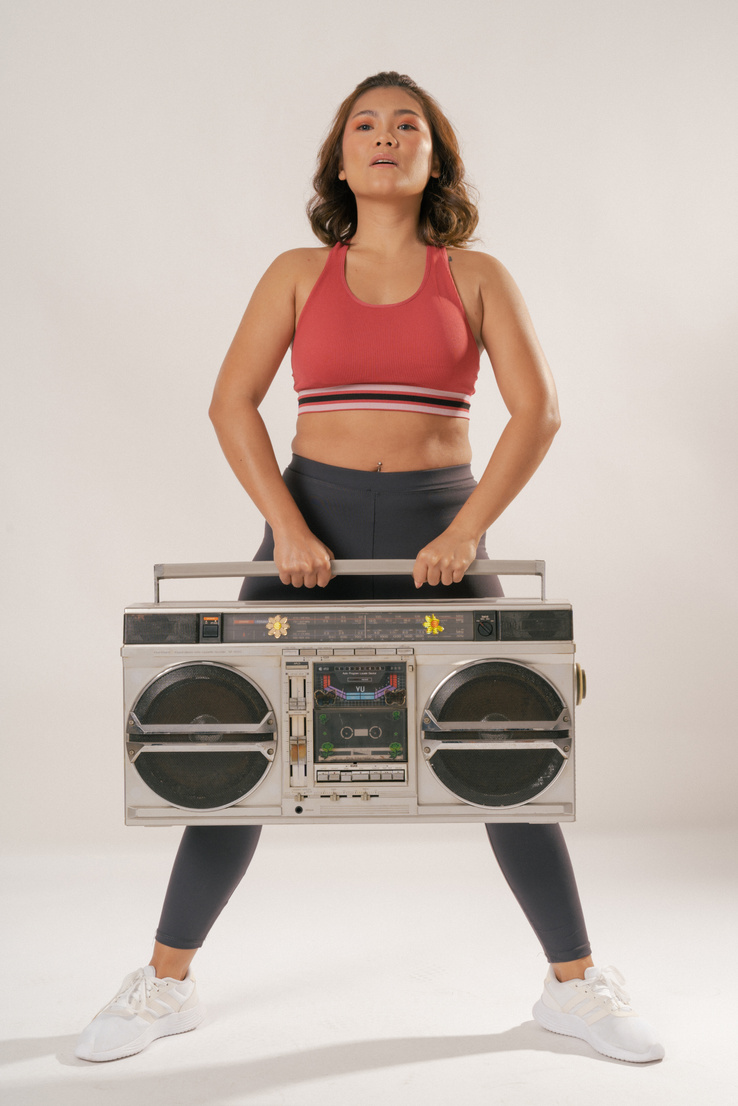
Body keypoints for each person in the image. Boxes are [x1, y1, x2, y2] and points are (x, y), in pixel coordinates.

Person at [76, 72, 664, 1065]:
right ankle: (165, 981)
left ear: (437, 156)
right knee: (238, 747)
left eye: (408, 126)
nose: (386, 137)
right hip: (313, 526)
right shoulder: (297, 273)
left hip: (442, 531)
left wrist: (469, 531)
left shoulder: (474, 275)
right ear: (339, 157)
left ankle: (575, 985)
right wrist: (288, 525)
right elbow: (232, 403)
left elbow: (539, 411)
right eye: (365, 125)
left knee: (505, 745)